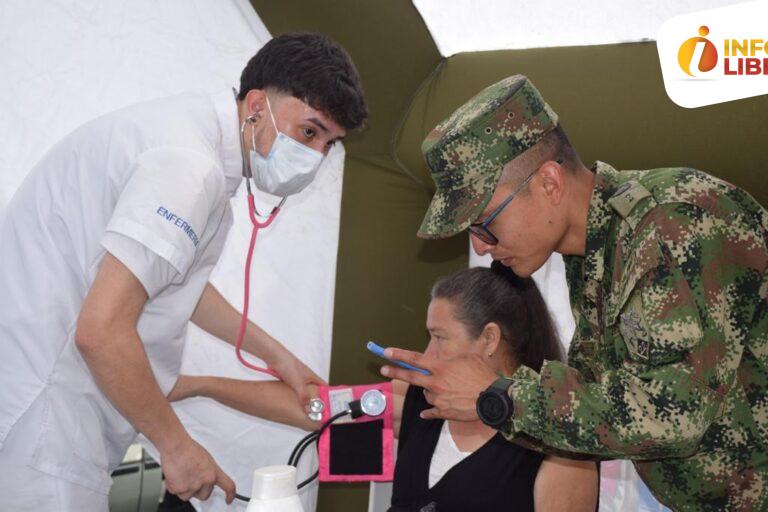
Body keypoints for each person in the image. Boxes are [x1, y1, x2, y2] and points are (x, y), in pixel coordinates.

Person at [0, 33, 367, 510]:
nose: (316, 157)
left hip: (43, 406)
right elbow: (101, 332)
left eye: (329, 144)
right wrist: (177, 448)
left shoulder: (187, 140)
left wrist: (280, 359)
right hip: (46, 417)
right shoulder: (187, 168)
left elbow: (174, 282)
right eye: (309, 132)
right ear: (257, 105)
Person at [380, 75, 768, 511]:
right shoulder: (594, 254)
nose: (479, 246)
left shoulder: (669, 225)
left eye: (484, 222)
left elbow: (675, 413)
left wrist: (502, 397)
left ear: (549, 183)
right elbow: (599, 390)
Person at [169, 262, 598, 511]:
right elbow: (313, 408)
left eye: (440, 337)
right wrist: (198, 385)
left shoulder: (559, 448)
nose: (427, 353)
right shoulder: (421, 404)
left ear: (488, 339)